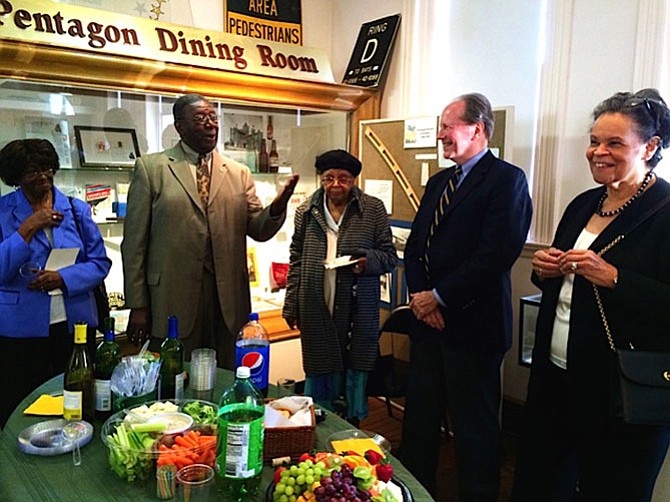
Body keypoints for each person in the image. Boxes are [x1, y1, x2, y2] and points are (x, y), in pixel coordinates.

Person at [511, 89, 670, 502]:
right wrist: (544, 269)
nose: (598, 152)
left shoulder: (666, 210)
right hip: (557, 376)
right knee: (542, 483)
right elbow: (562, 284)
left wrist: (615, 277)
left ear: (650, 147)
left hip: (621, 389)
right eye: (594, 141)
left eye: (614, 142)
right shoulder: (584, 203)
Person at [400, 93, 532, 499]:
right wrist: (423, 297)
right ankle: (414, 491)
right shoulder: (439, 182)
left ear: (477, 129)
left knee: (474, 430)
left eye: (447, 126)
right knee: (419, 421)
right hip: (428, 325)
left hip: (474, 328)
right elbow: (416, 245)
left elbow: (495, 255)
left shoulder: (507, 180)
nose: (440, 135)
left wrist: (438, 297)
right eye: (440, 127)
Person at [122, 94, 298, 369]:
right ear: (180, 126)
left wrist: (277, 208)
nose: (210, 125)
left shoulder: (239, 172)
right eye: (200, 119)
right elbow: (134, 244)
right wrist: (138, 305)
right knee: (176, 377)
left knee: (228, 373)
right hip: (171, 296)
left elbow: (257, 228)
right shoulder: (151, 169)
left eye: (213, 118)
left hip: (228, 299)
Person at [0, 138, 111, 427]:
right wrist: (28, 228)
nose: (42, 177)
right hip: (20, 330)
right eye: (32, 171)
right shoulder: (3, 212)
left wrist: (63, 277)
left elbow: (100, 262)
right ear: (15, 178)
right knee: (20, 405)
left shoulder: (76, 209)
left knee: (77, 399)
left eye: (47, 168)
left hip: (75, 324)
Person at [283, 149, 397, 424]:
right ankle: (319, 427)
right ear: (321, 179)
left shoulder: (372, 209)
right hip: (315, 301)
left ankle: (350, 431)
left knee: (354, 368)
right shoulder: (306, 211)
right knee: (320, 366)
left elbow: (389, 256)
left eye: (343, 178)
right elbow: (296, 257)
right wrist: (291, 303)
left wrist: (366, 261)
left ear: (354, 180)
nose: (336, 185)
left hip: (358, 304)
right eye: (329, 178)